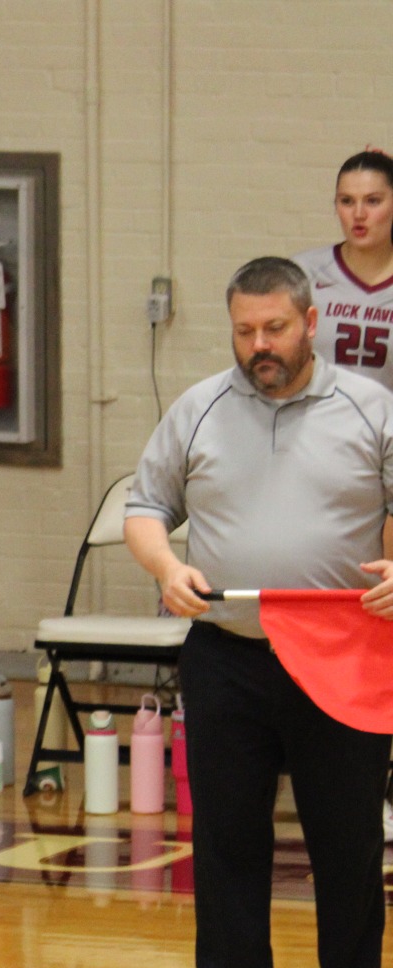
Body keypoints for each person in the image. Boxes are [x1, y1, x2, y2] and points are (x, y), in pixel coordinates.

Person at [126, 255, 393, 968]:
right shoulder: (199, 409)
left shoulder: (370, 407)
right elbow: (146, 507)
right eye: (245, 330)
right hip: (228, 657)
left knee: (345, 839)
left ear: (313, 322)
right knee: (228, 837)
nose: (259, 345)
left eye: (275, 327)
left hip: (343, 654)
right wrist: (167, 569)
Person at [292, 147, 393, 843]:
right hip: (324, 465)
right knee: (341, 619)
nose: (358, 213)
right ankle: (343, 779)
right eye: (347, 200)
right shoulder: (307, 277)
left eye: (373, 200)